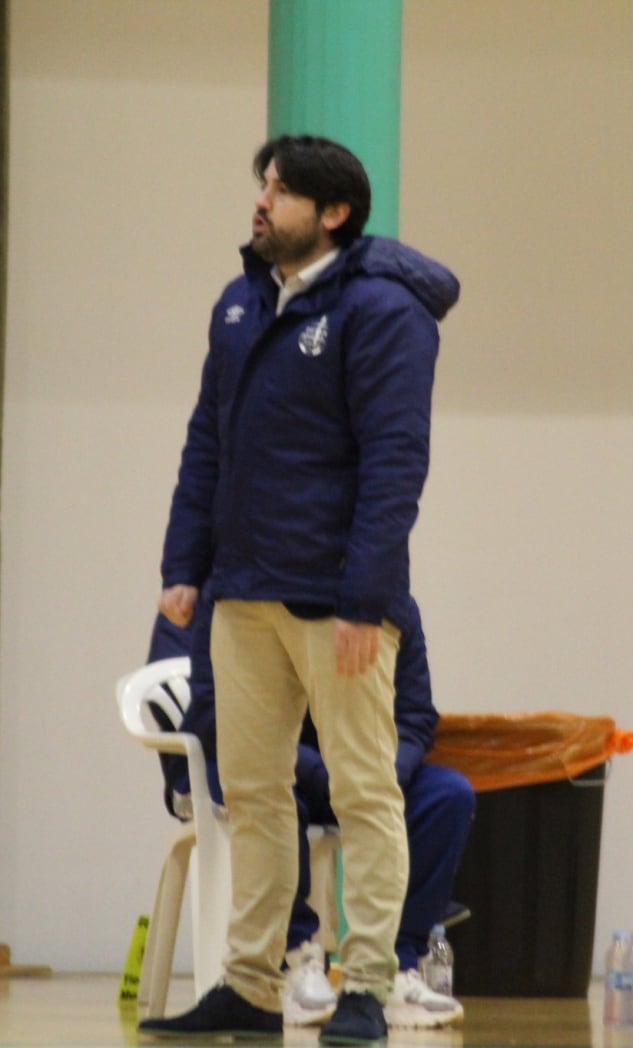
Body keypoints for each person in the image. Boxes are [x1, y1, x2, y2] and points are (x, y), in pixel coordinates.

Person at [139, 134, 460, 1044]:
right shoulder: (239, 306)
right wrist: (183, 562)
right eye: (263, 185)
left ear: (333, 214)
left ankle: (366, 985)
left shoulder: (386, 311)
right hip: (242, 592)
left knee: (365, 792)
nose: (261, 201)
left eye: (280, 191)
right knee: (252, 791)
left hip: (339, 602)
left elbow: (396, 464)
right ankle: (249, 981)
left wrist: (366, 598)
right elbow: (209, 440)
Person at [147, 591, 475, 1029]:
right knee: (275, 793)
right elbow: (210, 712)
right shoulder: (222, 594)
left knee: (447, 795)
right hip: (249, 764)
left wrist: (385, 774)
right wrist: (328, 772)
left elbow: (415, 715)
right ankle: (294, 959)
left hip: (351, 764)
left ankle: (396, 964)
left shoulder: (385, 603)